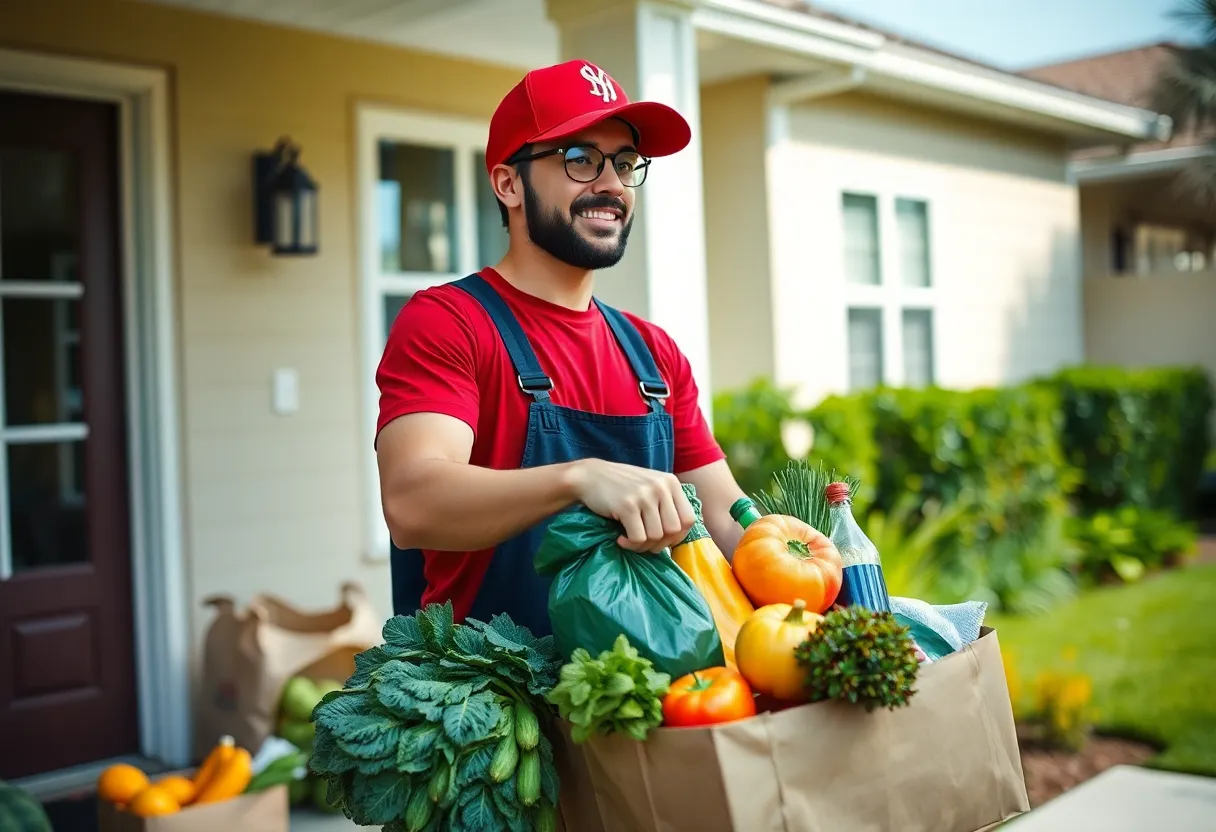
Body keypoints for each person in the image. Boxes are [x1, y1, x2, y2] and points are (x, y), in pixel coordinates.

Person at [374, 58, 749, 638]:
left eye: (625, 164)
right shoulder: (450, 322)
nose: (611, 185)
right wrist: (578, 479)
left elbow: (724, 515)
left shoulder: (654, 354)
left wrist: (799, 558)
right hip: (493, 703)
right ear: (508, 183)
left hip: (635, 694)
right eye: (581, 159)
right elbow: (413, 502)